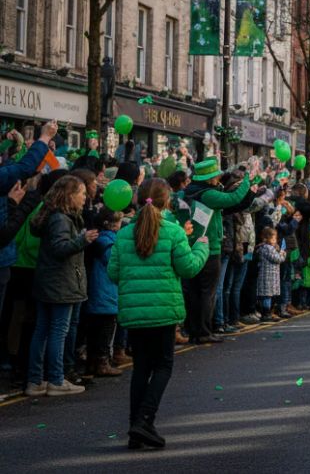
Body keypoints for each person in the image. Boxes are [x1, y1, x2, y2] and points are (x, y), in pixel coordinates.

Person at [110, 178, 209, 449]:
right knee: (163, 365)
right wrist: (201, 246)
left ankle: (136, 428)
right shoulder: (174, 231)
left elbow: (113, 273)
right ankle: (144, 419)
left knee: (141, 367)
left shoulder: (124, 233)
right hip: (164, 310)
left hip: (135, 311)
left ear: (139, 200)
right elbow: (188, 268)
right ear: (168, 202)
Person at [25, 175, 97, 397]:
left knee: (42, 330)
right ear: (70, 195)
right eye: (82, 193)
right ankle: (55, 379)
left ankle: (36, 380)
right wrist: (83, 240)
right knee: (57, 331)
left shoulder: (54, 217)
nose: (85, 198)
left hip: (49, 281)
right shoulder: (61, 220)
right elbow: (60, 248)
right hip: (61, 283)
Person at [181, 157, 253, 344]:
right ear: (208, 178)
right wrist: (248, 180)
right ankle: (204, 331)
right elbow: (233, 198)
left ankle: (195, 330)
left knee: (196, 292)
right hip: (208, 248)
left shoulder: (190, 192)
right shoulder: (207, 195)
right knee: (208, 292)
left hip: (192, 246)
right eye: (215, 176)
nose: (218, 178)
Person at [83, 208, 122, 378]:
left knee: (94, 330)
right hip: (106, 292)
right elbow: (114, 263)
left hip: (98, 291)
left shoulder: (99, 239)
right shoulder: (109, 242)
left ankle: (93, 361)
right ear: (113, 224)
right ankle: (102, 362)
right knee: (105, 329)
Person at [255, 227, 285, 322]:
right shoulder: (268, 248)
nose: (275, 241)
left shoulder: (266, 248)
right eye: (273, 239)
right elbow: (277, 259)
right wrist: (282, 254)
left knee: (267, 296)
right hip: (268, 277)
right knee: (267, 296)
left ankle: (267, 313)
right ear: (266, 239)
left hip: (269, 276)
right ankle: (266, 314)